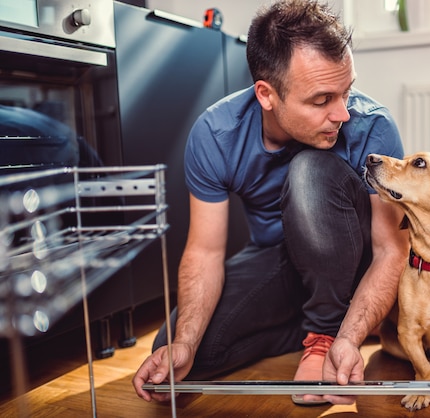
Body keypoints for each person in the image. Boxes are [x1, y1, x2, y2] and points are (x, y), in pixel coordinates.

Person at [132, 0, 408, 406]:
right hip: (280, 261)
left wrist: (344, 339)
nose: (342, 113)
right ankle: (316, 322)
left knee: (309, 169)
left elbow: (390, 250)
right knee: (183, 352)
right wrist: (185, 341)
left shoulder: (373, 126)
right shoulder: (216, 133)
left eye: (346, 91)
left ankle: (325, 334)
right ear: (267, 94)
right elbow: (205, 251)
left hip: (353, 262)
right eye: (321, 100)